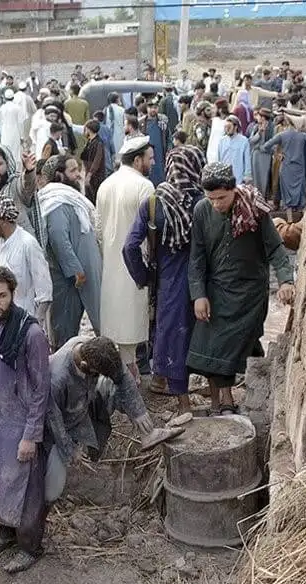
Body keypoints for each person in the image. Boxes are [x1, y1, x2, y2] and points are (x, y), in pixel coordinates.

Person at [187, 162, 295, 414]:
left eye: (221, 198)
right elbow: (197, 257)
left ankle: (254, 386)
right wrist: (199, 295)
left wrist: (286, 280)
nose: (216, 204)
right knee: (215, 344)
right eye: (211, 198)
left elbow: (275, 247)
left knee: (244, 340)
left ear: (234, 189)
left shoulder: (255, 208)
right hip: (217, 289)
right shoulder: (202, 211)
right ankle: (225, 399)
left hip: (250, 292)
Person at [0, 266, 52, 574]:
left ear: (13, 294)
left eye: (2, 296)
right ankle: (5, 533)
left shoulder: (30, 334)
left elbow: (42, 390)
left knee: (27, 491)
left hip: (20, 426)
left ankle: (30, 547)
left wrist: (31, 435)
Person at [45, 336, 177, 504]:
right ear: (85, 366)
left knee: (117, 388)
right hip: (61, 424)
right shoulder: (57, 377)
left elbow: (122, 375)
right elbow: (53, 421)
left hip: (87, 401)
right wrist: (71, 450)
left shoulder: (97, 349)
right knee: (51, 493)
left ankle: (147, 434)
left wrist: (139, 413)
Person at [123, 146, 205, 408]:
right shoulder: (205, 202)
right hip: (203, 280)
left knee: (169, 332)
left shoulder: (155, 202)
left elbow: (130, 246)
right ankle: (217, 398)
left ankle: (181, 399)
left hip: (167, 280)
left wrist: (144, 276)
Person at [96, 137, 156, 380]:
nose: (152, 163)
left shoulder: (105, 185)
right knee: (131, 322)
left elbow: (98, 230)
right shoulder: (145, 186)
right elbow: (152, 231)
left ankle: (125, 372)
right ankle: (129, 377)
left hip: (111, 265)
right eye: (149, 158)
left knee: (117, 324)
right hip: (136, 266)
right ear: (138, 159)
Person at [38, 155, 101, 347]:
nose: (78, 175)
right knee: (64, 329)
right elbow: (58, 238)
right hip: (67, 279)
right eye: (73, 171)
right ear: (59, 174)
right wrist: (75, 270)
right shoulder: (55, 201)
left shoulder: (68, 198)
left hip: (77, 277)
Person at [0, 146, 42, 300]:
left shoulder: (15, 185)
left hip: (14, 265)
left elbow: (27, 187)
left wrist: (29, 172)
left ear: (7, 164)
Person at [0, 193, 52, 321]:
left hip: (23, 316)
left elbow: (45, 290)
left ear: (3, 221)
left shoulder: (28, 243)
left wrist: (36, 323)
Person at [260, 119, 306, 221]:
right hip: (299, 169)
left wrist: (277, 154)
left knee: (288, 199)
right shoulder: (304, 136)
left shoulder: (282, 135)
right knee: (301, 197)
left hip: (286, 169)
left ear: (286, 124)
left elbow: (265, 147)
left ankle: (290, 221)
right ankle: (303, 223)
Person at [216, 115, 252, 185]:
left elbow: (247, 160)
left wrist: (247, 175)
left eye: (229, 127)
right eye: (225, 127)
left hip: (238, 177)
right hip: (224, 176)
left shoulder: (244, 141)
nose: (227, 129)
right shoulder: (222, 141)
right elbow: (219, 159)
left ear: (236, 127)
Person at [0, 88, 28, 168]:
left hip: (5, 132)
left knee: (6, 151)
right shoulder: (17, 108)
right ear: (13, 97)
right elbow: (20, 123)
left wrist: (2, 133)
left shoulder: (2, 108)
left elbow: (0, 123)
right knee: (15, 152)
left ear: (4, 98)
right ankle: (15, 168)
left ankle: (7, 167)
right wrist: (21, 135)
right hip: (15, 132)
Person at [80, 119, 107, 203]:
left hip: (96, 176)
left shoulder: (98, 143)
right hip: (89, 174)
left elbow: (97, 161)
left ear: (89, 129)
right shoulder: (89, 142)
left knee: (94, 198)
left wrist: (89, 175)